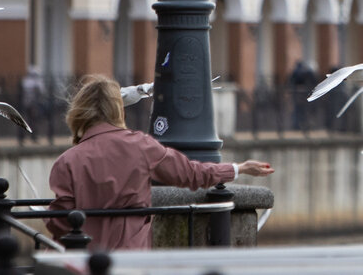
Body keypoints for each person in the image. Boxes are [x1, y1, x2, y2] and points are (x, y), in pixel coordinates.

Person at [45, 74, 274, 250]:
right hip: (130, 258)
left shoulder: (67, 161)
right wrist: (238, 168)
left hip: (84, 260)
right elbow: (191, 173)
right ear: (118, 109)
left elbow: (58, 220)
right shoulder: (141, 146)